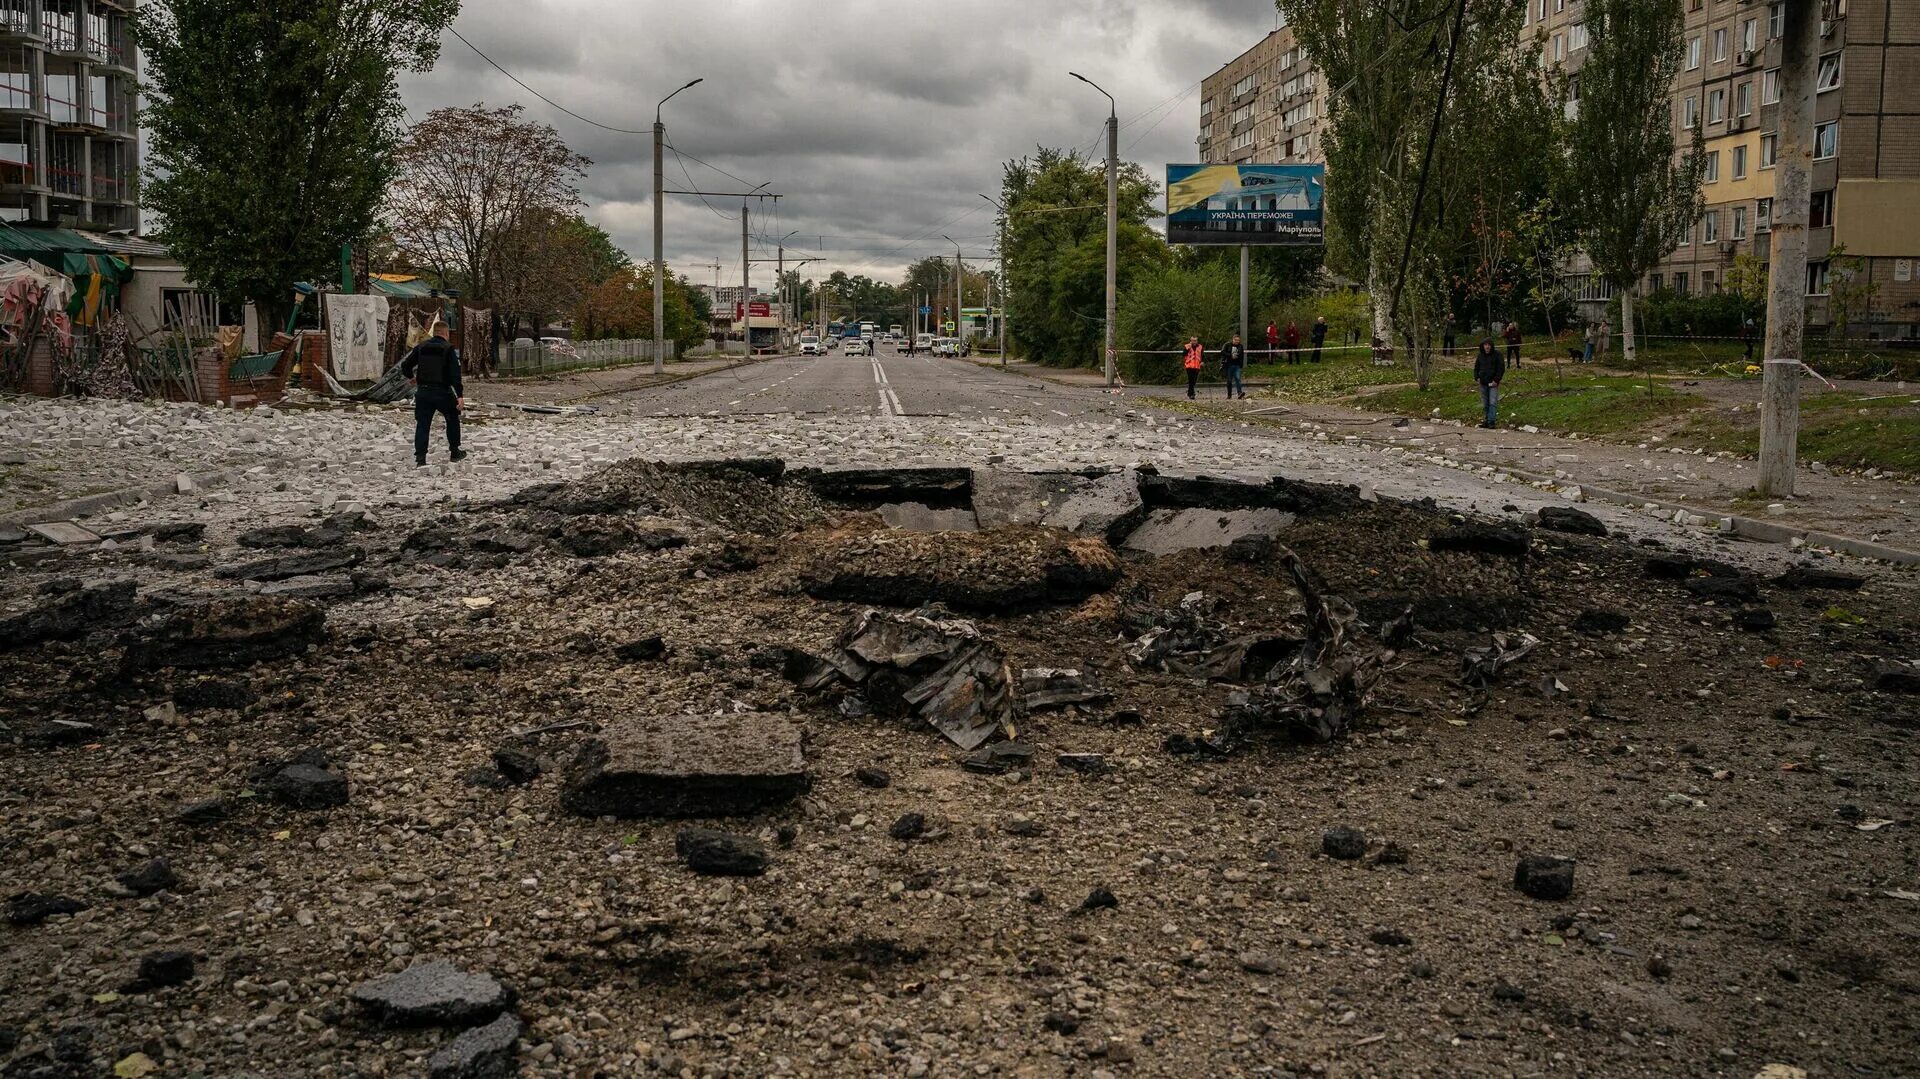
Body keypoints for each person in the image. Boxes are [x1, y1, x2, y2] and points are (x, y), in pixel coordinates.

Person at [400, 322, 465, 467]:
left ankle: (420, 459)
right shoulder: (448, 349)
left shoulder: (421, 347)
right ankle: (455, 452)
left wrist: (411, 377)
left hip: (423, 392)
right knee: (452, 417)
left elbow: (405, 365)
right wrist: (459, 395)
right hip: (442, 392)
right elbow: (455, 374)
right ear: (446, 333)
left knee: (423, 424)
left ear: (434, 332)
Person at [1474, 338, 1505, 429]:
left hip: (1493, 383)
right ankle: (1486, 420)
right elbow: (1476, 368)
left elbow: (1501, 368)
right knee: (1485, 403)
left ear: (1491, 346)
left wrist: (1496, 380)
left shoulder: (1497, 355)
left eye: (1488, 345)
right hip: (1483, 383)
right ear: (1483, 346)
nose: (1487, 347)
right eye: (1485, 345)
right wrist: (1477, 378)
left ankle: (1491, 421)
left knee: (1492, 402)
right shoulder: (1480, 356)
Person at [1219, 333, 1247, 399]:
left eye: (1238, 340)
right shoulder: (1227, 345)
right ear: (1233, 340)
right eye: (1236, 340)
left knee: (1238, 379)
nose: (1237, 341)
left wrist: (1241, 365)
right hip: (1229, 365)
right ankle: (1229, 395)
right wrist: (1230, 355)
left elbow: (1241, 356)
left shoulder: (1240, 346)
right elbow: (1222, 352)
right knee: (1229, 380)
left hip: (1237, 365)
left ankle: (1239, 393)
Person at [1182, 335, 1204, 399]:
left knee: (1194, 380)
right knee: (1190, 380)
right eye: (1193, 340)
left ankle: (1189, 392)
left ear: (1197, 341)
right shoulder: (1187, 346)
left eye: (1195, 340)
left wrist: (1202, 361)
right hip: (1189, 366)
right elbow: (1183, 354)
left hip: (1197, 366)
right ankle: (1192, 394)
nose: (1194, 342)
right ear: (1190, 341)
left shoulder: (1200, 347)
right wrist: (1188, 348)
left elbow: (1202, 355)